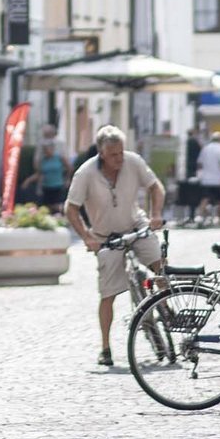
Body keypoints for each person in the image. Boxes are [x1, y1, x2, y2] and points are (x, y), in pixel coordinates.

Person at [64, 126, 168, 368]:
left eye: (121, 153)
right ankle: (105, 347)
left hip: (136, 225)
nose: (119, 159)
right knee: (108, 293)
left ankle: (165, 305)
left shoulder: (133, 162)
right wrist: (87, 237)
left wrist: (156, 214)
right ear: (101, 153)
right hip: (105, 236)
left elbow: (155, 187)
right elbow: (70, 208)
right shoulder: (85, 174)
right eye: (113, 155)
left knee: (159, 263)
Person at [194, 130, 220, 231]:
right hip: (218, 178)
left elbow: (200, 163)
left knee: (205, 198)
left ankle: (200, 217)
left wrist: (201, 174)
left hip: (206, 179)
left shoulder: (205, 148)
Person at [37, 135, 71, 211]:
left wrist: (67, 179)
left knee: (58, 206)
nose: (45, 151)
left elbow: (69, 168)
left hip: (58, 185)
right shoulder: (43, 160)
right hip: (46, 187)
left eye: (47, 149)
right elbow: (41, 174)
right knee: (46, 208)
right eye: (44, 149)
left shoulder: (59, 157)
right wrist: (39, 187)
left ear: (52, 148)